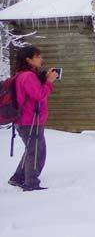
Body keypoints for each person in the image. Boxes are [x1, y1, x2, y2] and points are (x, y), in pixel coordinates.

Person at [8, 45, 58, 191]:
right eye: (38, 57)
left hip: (24, 120)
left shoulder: (21, 74)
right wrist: (49, 81)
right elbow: (39, 95)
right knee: (37, 152)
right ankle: (31, 183)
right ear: (28, 59)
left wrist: (44, 78)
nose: (41, 59)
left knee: (31, 150)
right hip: (30, 121)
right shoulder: (28, 76)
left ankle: (17, 178)